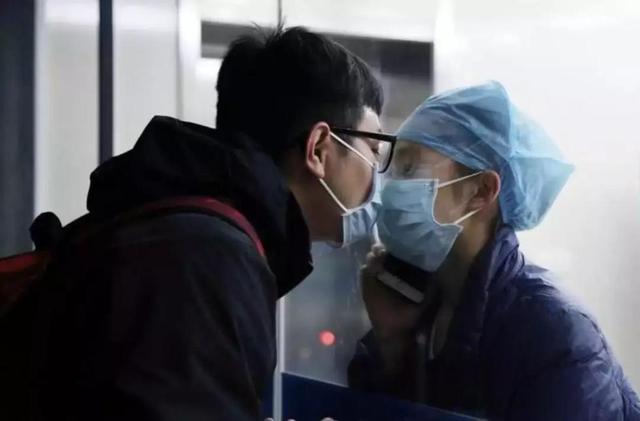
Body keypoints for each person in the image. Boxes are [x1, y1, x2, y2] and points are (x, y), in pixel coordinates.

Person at [20, 26, 392, 421]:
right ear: (318, 149)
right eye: (373, 149)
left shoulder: (191, 231)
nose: (377, 172)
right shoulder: (205, 258)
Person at [349, 81, 640, 420]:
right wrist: (391, 344)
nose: (390, 188)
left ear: (482, 190)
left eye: (410, 168)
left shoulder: (554, 335)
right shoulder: (424, 303)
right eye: (394, 169)